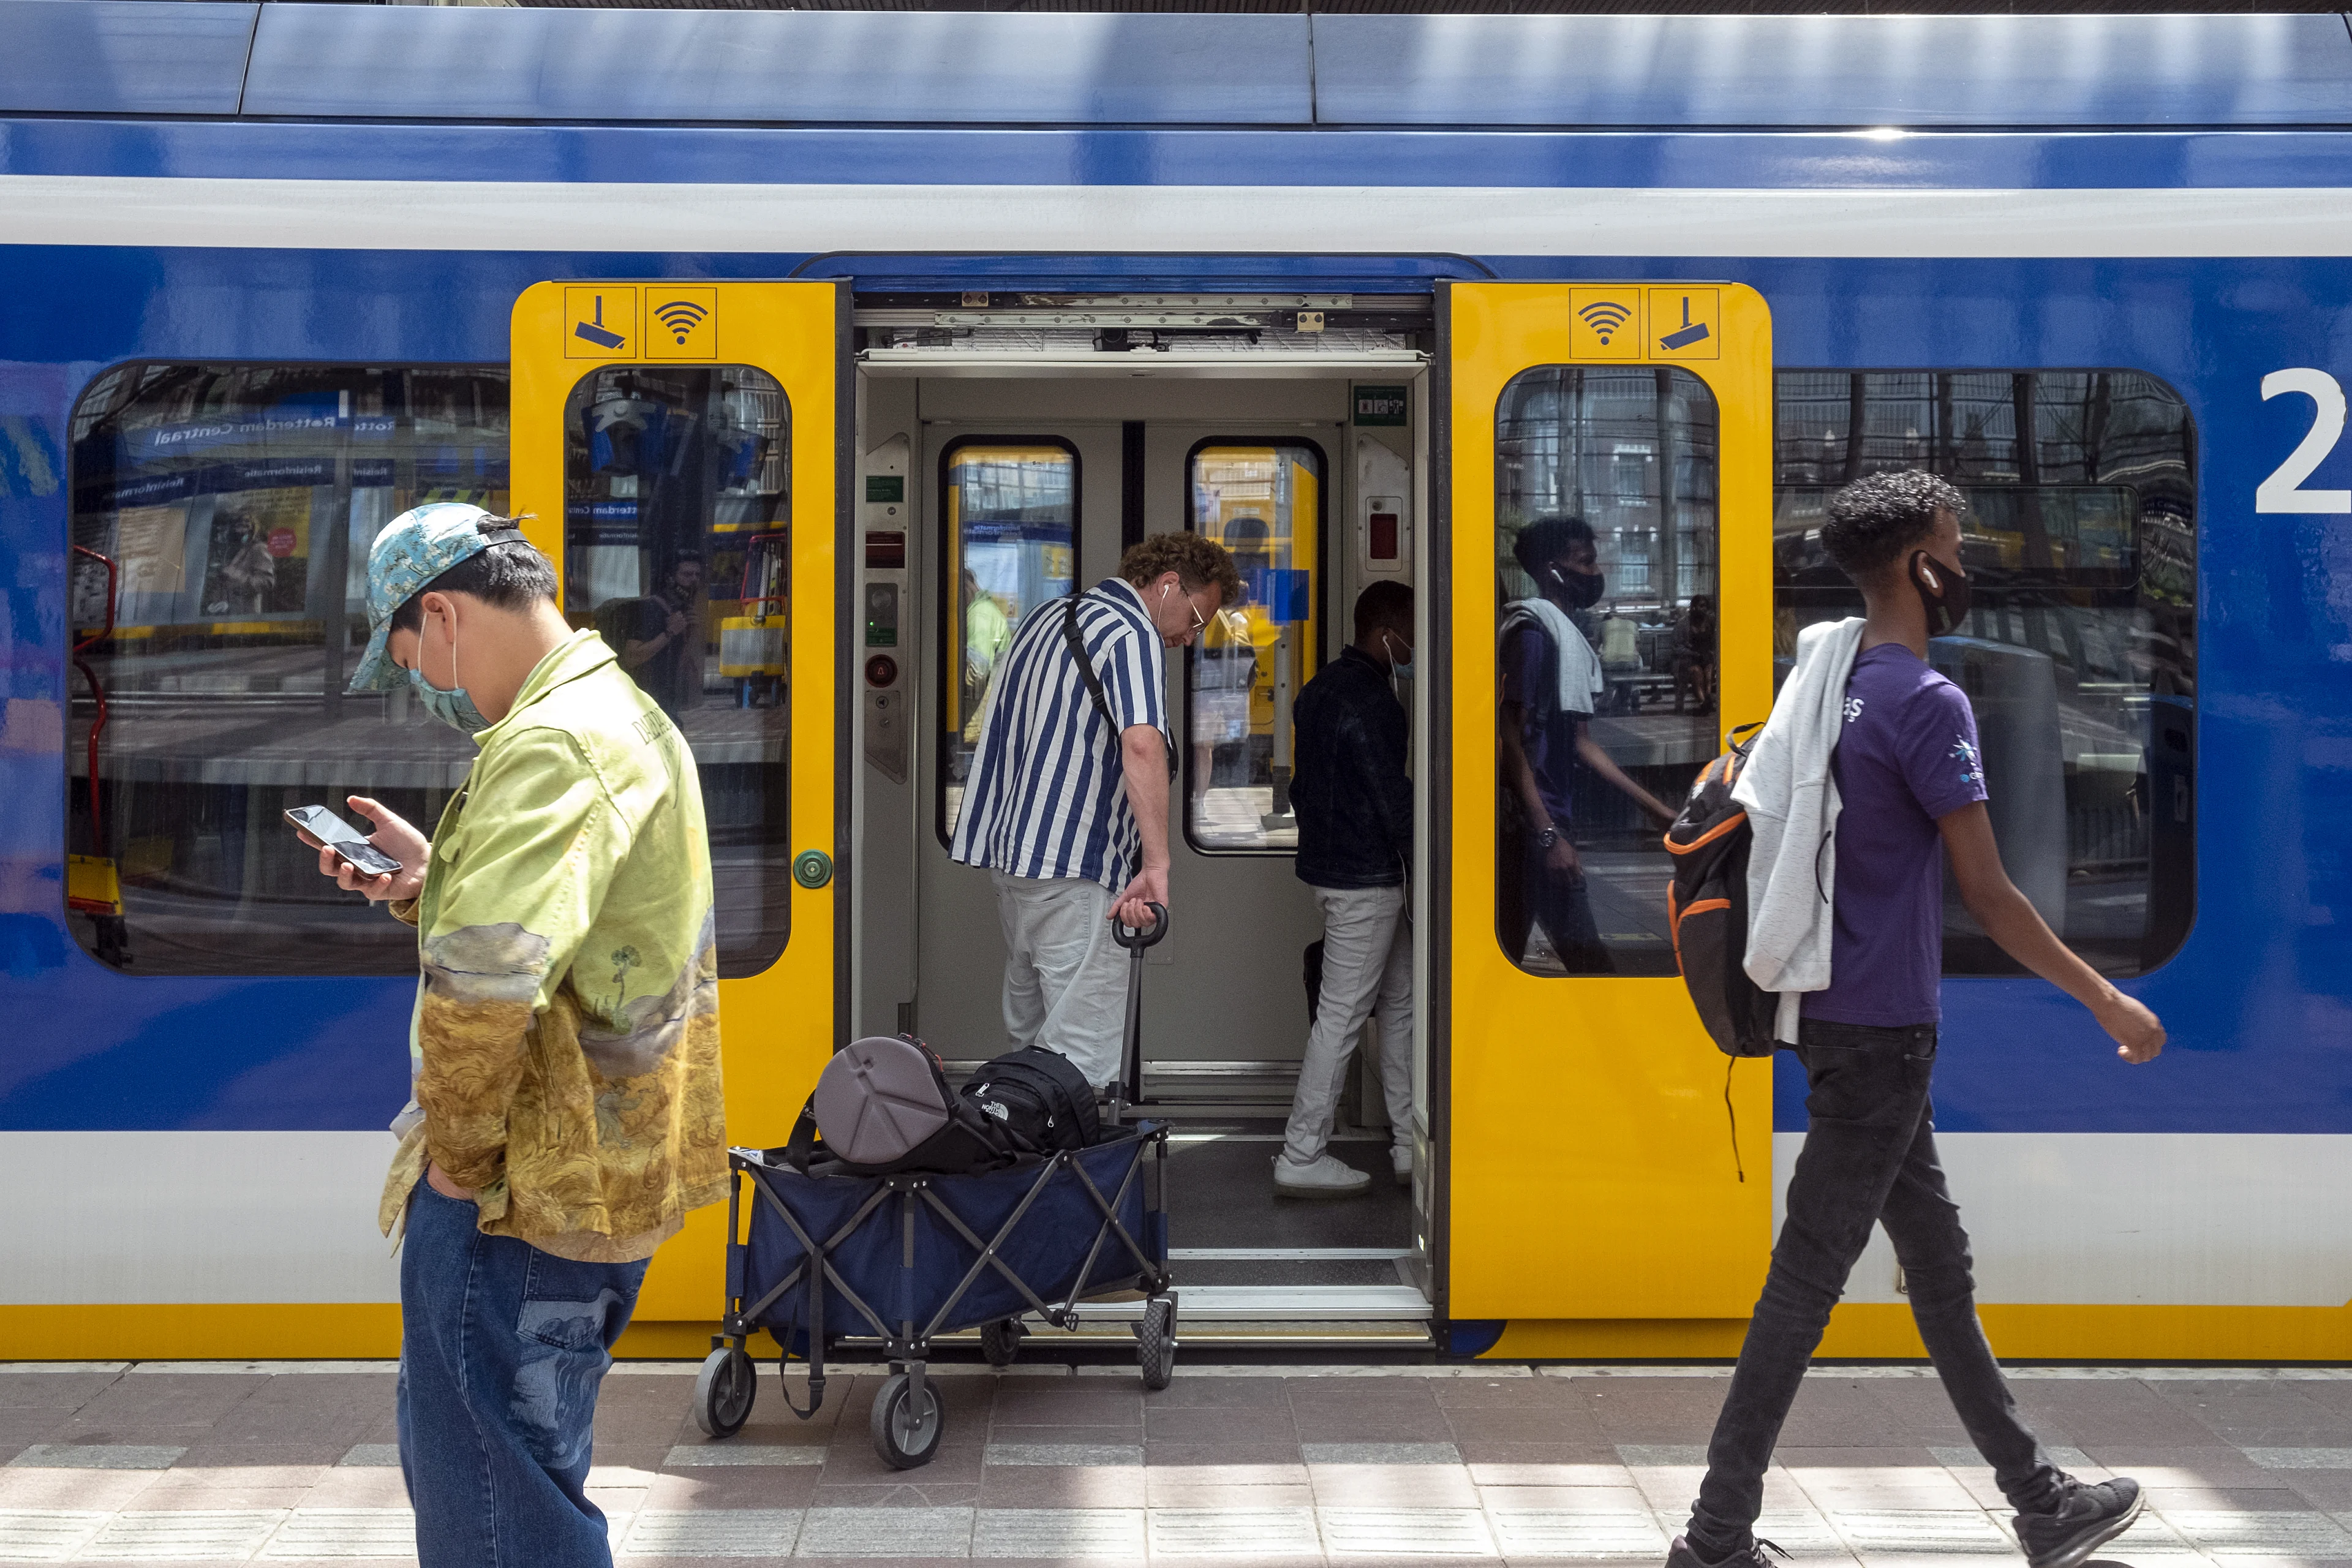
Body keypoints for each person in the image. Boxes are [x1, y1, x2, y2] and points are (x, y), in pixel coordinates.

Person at [1667, 470, 2165, 1568]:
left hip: (1844, 1024)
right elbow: (1990, 890)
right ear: (1917, 566)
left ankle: (2041, 1500)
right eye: (1956, 543)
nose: (1966, 563)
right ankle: (1713, 1538)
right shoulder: (1924, 702)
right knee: (1803, 1289)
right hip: (1885, 1031)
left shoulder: (1831, 678)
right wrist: (2106, 997)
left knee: (1938, 1271)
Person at [306, 503, 725, 1568]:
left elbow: (486, 984)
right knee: (523, 1476)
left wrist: (457, 1160)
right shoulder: (615, 711)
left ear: (442, 613)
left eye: (410, 661)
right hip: (585, 1172)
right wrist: (430, 879)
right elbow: (577, 933)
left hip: (517, 1194)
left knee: (495, 1515)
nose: (424, 689)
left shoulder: (553, 746)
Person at [951, 532, 1242, 1088]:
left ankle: (1026, 1167)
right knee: (1082, 1062)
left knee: (1030, 1048)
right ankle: (1072, 1176)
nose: (1189, 637)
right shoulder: (1133, 635)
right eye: (1197, 620)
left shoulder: (1044, 618)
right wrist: (1157, 866)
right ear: (1168, 586)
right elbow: (1142, 744)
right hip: (1077, 866)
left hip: (1015, 864)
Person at [1275, 581, 1417, 1198]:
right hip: (1371, 881)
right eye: (1411, 632)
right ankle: (1302, 1151)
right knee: (1343, 1016)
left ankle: (1412, 1143)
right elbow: (1394, 799)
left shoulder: (1318, 689)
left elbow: (1305, 790)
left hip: (1335, 872)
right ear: (1386, 633)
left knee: (1403, 1007)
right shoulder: (1377, 702)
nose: (1415, 646)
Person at [1498, 516, 1676, 973]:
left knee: (1513, 954)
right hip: (1537, 826)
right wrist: (1549, 834)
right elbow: (1511, 740)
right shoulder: (1535, 637)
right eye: (1585, 562)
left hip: (1543, 825)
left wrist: (1652, 808)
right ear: (1552, 570)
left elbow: (1581, 743)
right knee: (1593, 966)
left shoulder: (1562, 635)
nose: (1595, 573)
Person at [619, 551, 704, 715]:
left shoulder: (681, 611)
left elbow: (682, 664)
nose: (693, 581)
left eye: (697, 575)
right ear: (670, 579)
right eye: (687, 575)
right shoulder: (652, 609)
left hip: (667, 700)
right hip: (645, 702)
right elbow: (631, 657)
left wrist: (691, 633)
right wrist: (670, 633)